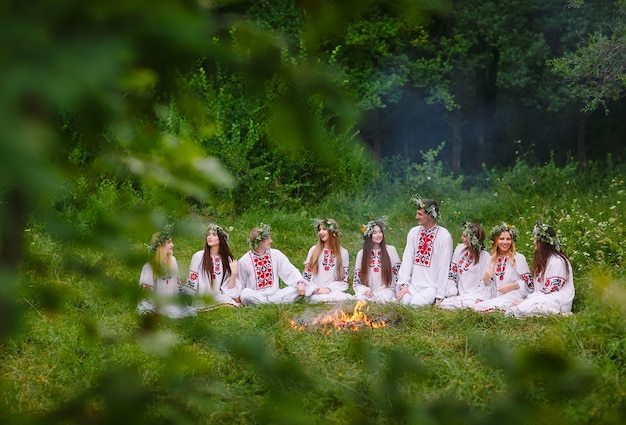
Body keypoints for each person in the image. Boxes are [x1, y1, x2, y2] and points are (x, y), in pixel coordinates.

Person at [506, 221, 575, 317]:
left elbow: (550, 289)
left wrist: (527, 300)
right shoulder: (543, 261)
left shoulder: (557, 261)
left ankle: (560, 314)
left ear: (544, 243)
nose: (534, 242)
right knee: (512, 310)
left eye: (536, 240)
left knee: (518, 309)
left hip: (558, 301)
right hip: (543, 298)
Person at [396, 195, 453, 306]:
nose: (416, 217)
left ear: (430, 215)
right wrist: (404, 285)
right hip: (414, 285)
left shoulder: (444, 236)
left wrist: (440, 296)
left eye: (420, 214)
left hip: (432, 287)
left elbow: (444, 267)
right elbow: (407, 259)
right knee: (403, 302)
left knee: (415, 304)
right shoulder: (413, 232)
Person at [237, 223, 306, 305]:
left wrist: (300, 283)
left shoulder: (276, 254)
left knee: (297, 288)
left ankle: (266, 304)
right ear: (259, 242)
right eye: (267, 239)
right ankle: (270, 304)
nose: (271, 241)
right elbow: (240, 283)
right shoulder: (244, 261)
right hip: (256, 296)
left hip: (276, 295)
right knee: (245, 294)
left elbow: (290, 270)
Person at [138, 224, 196, 318]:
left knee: (179, 310)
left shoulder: (172, 261)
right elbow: (147, 293)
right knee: (170, 311)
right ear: (161, 245)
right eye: (169, 242)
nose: (172, 245)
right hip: (156, 304)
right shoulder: (150, 266)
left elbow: (177, 285)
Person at [471, 222, 532, 312]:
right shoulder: (491, 260)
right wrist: (486, 279)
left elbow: (529, 284)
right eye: (501, 239)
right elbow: (491, 287)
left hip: (514, 295)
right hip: (497, 296)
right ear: (496, 241)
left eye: (508, 239)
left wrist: (513, 285)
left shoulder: (518, 258)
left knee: (484, 307)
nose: (505, 242)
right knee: (476, 305)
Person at [184, 223, 240, 309]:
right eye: (208, 235)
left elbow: (228, 289)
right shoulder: (198, 256)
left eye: (214, 235)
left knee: (227, 302)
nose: (210, 237)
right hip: (203, 299)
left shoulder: (227, 259)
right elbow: (192, 280)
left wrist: (234, 273)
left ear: (221, 239)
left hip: (219, 297)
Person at [439, 222, 491, 310]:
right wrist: (452, 293)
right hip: (459, 295)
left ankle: (473, 306)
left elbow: (485, 282)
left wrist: (481, 297)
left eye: (464, 236)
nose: (461, 238)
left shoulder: (485, 256)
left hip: (475, 295)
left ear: (472, 239)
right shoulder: (459, 249)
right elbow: (452, 274)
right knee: (445, 304)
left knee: (473, 304)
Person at [303, 218, 354, 303]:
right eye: (319, 230)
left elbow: (343, 280)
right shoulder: (314, 250)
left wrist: (328, 289)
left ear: (333, 232)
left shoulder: (343, 253)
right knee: (317, 299)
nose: (321, 232)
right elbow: (306, 276)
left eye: (324, 229)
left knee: (343, 298)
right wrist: (315, 289)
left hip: (333, 291)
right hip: (316, 292)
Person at [353, 217, 401, 303]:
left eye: (380, 232)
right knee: (362, 299)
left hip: (386, 290)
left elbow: (397, 275)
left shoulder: (391, 250)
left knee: (383, 300)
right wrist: (365, 290)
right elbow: (357, 280)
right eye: (374, 233)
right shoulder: (361, 254)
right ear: (368, 235)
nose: (378, 235)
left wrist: (399, 293)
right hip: (369, 291)